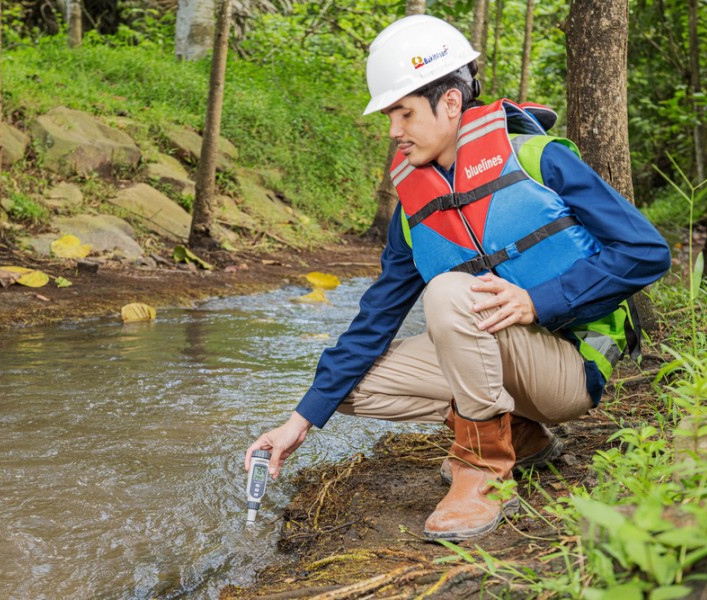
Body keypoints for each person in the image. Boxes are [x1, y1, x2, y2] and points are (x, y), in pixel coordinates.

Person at [245, 14, 671, 542]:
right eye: (390, 116)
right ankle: (520, 435)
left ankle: (485, 472)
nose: (394, 132)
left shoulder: (538, 159)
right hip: (502, 365)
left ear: (450, 102)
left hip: (569, 369)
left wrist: (539, 301)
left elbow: (648, 252)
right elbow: (375, 318)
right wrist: (298, 423)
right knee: (346, 388)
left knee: (447, 292)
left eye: (403, 113)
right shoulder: (411, 211)